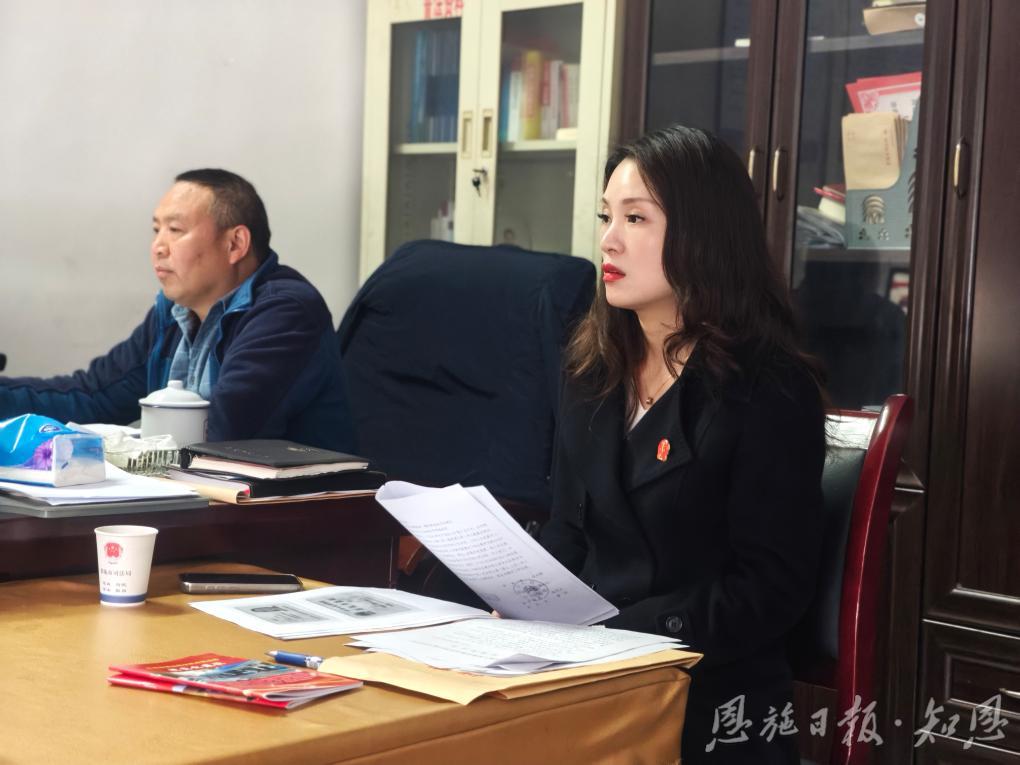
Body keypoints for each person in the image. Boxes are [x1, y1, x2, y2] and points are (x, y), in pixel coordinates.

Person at [539, 125, 826, 764]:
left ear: (703, 235)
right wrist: (521, 600)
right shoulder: (590, 366)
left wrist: (617, 636)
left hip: (704, 695)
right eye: (606, 216)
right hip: (583, 674)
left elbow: (769, 587)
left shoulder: (769, 387)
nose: (608, 240)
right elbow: (569, 532)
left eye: (636, 218)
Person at [0, 169, 354, 452]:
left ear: (235, 244)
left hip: (292, 514)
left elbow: (226, 437)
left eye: (175, 230)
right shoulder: (173, 312)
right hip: (197, 503)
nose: (158, 247)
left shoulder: (285, 312)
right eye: (156, 230)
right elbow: (93, 395)